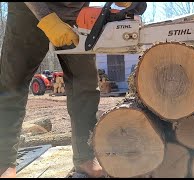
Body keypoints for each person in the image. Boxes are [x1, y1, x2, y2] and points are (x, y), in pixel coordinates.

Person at [0, 2, 146, 178]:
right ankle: (4, 162)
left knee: (85, 84)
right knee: (12, 85)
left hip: (76, 15)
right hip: (29, 10)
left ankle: (85, 156)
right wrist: (47, 19)